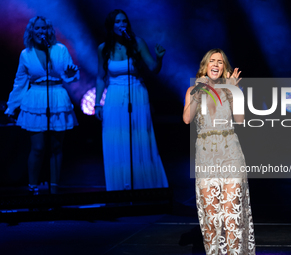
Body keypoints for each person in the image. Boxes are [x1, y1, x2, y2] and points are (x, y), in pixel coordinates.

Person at [183, 49, 255, 254]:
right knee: (212, 217)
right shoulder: (193, 90)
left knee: (232, 215)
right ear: (205, 65)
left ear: (224, 68)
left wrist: (233, 92)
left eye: (220, 62)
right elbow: (187, 119)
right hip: (206, 155)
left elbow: (240, 120)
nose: (216, 64)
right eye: (212, 61)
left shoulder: (230, 89)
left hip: (230, 152)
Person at [95, 9, 168, 191]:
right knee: (117, 139)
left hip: (136, 93)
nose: (122, 25)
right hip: (114, 96)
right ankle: (121, 187)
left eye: (124, 22)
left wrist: (159, 59)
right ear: (111, 26)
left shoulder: (137, 43)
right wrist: (98, 103)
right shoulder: (103, 49)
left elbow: (153, 68)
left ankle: (144, 187)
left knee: (138, 138)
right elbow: (100, 77)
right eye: (118, 22)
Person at [5, 16, 79, 193]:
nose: (41, 32)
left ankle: (54, 189)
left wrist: (70, 73)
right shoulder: (26, 54)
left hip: (57, 96)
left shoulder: (60, 49)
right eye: (37, 29)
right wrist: (11, 106)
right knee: (38, 147)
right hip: (36, 98)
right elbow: (20, 81)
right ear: (32, 31)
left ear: (49, 30)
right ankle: (33, 188)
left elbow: (70, 75)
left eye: (44, 28)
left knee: (56, 147)